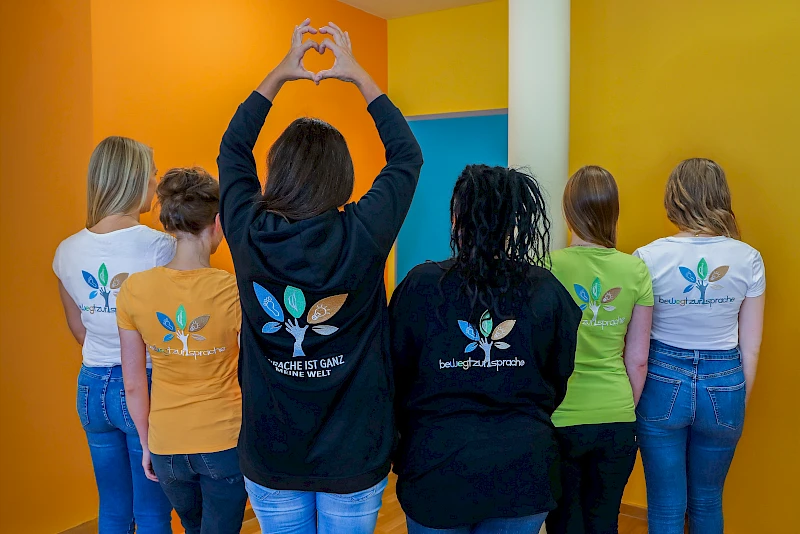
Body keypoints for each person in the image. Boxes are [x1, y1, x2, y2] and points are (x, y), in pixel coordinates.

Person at [217, 19, 423, 534]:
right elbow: (406, 155)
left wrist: (278, 75)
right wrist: (358, 76)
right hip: (354, 454)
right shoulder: (363, 233)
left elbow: (232, 149)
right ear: (342, 175)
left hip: (271, 453)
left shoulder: (248, 232)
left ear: (277, 172)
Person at [390, 164, 581, 534]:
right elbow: (558, 375)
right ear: (512, 224)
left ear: (456, 219)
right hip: (522, 469)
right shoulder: (545, 289)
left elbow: (394, 376)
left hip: (437, 468)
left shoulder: (421, 286)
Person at [633, 158, 766, 534]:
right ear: (721, 196)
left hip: (661, 380)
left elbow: (637, 343)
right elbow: (751, 347)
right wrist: (736, 400)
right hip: (726, 382)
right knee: (707, 501)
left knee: (665, 505)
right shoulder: (748, 258)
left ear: (673, 198)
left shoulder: (647, 257)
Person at [53, 136, 174, 533]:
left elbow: (78, 327)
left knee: (114, 509)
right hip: (144, 385)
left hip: (90, 387)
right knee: (153, 513)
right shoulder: (161, 247)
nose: (156, 183)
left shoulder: (66, 251)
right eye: (153, 174)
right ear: (134, 179)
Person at [116, 167, 247, 534]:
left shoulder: (134, 290)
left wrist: (146, 445)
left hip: (166, 446)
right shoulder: (234, 291)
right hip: (224, 441)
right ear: (218, 223)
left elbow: (133, 383)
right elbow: (252, 372)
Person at [544, 166, 653, 534]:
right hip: (616, 416)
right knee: (605, 522)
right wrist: (623, 408)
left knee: (563, 524)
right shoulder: (636, 270)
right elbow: (638, 360)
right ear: (613, 212)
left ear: (568, 211)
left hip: (559, 418)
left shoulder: (546, 267)